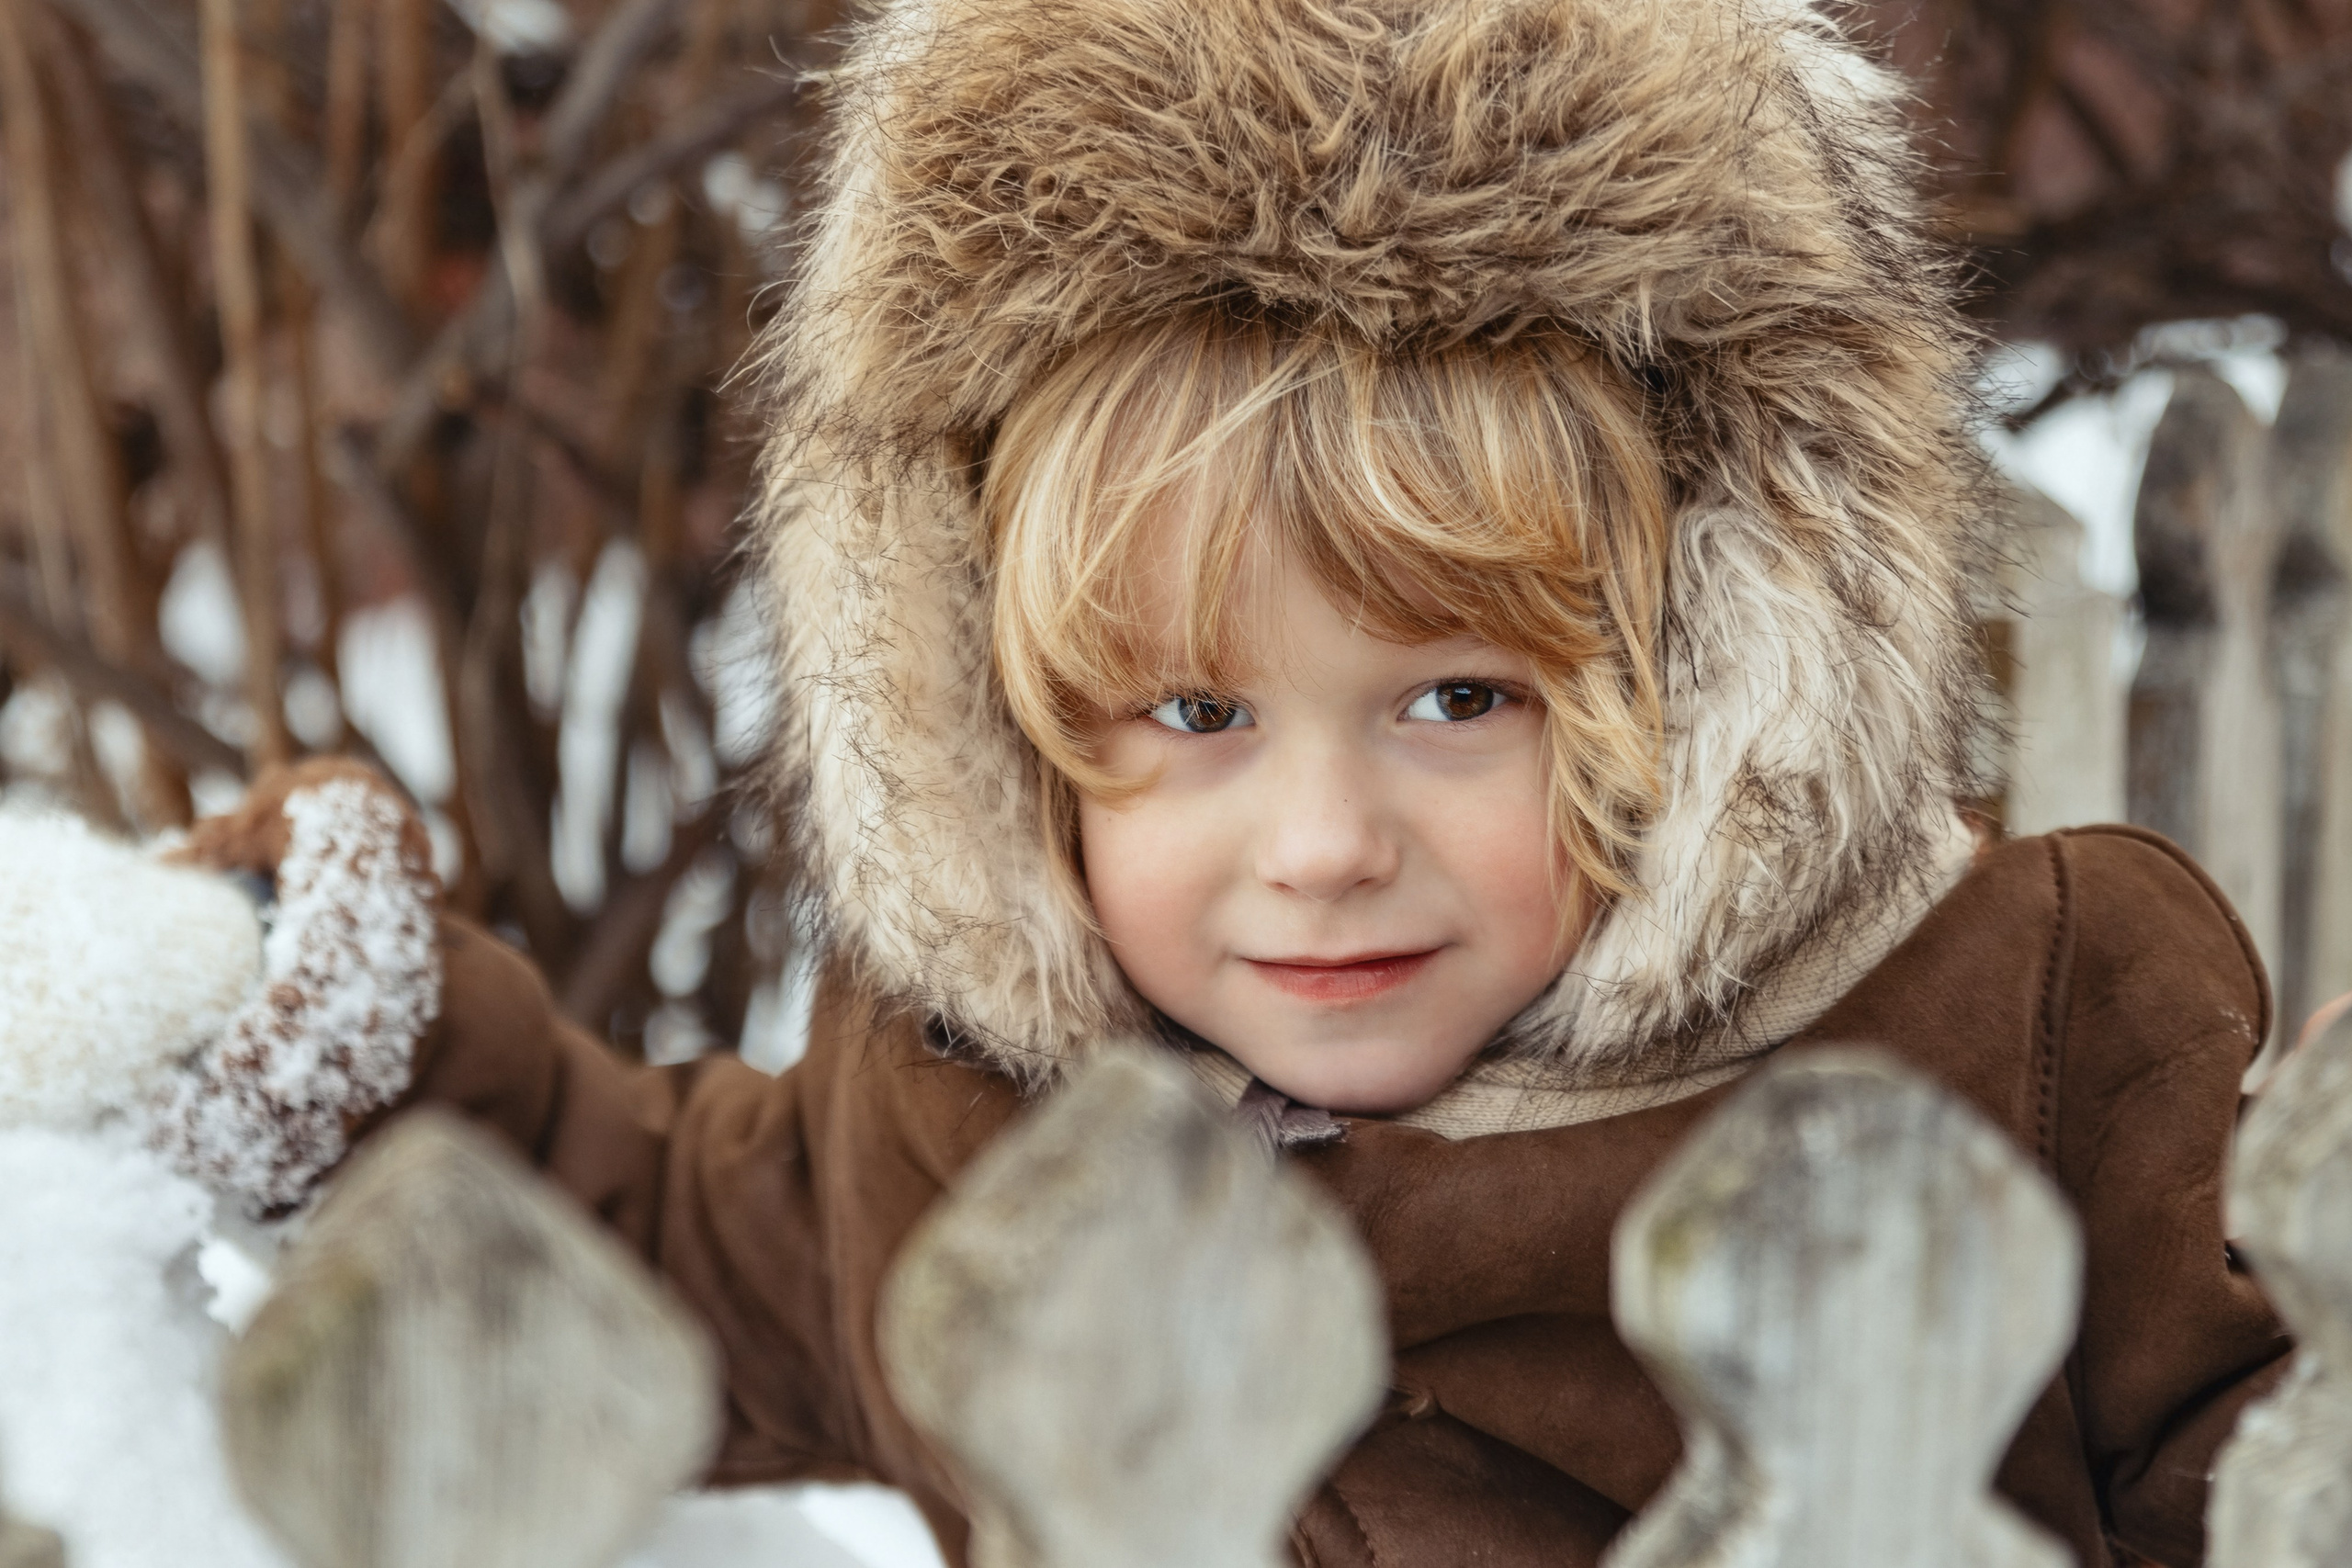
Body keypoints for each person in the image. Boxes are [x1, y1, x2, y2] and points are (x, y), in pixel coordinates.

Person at [161, 2, 2289, 1564]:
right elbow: (618, 1246)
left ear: (1711, 660)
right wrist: (342, 1012)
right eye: (1193, 717)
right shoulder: (960, 1132)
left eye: (1457, 697)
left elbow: (2262, 1468)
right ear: (988, 723)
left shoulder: (2002, 1033)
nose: (1323, 843)